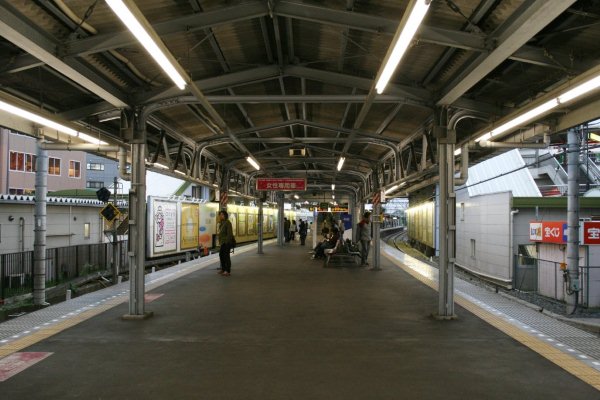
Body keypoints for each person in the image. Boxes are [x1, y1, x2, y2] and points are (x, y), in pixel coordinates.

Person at [217, 210, 234, 276]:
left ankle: (227, 271)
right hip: (222, 242)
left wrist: (226, 242)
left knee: (226, 256)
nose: (220, 216)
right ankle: (223, 269)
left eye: (222, 215)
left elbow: (229, 234)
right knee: (221, 255)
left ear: (225, 215)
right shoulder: (222, 223)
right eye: (220, 215)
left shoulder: (228, 223)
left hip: (226, 243)